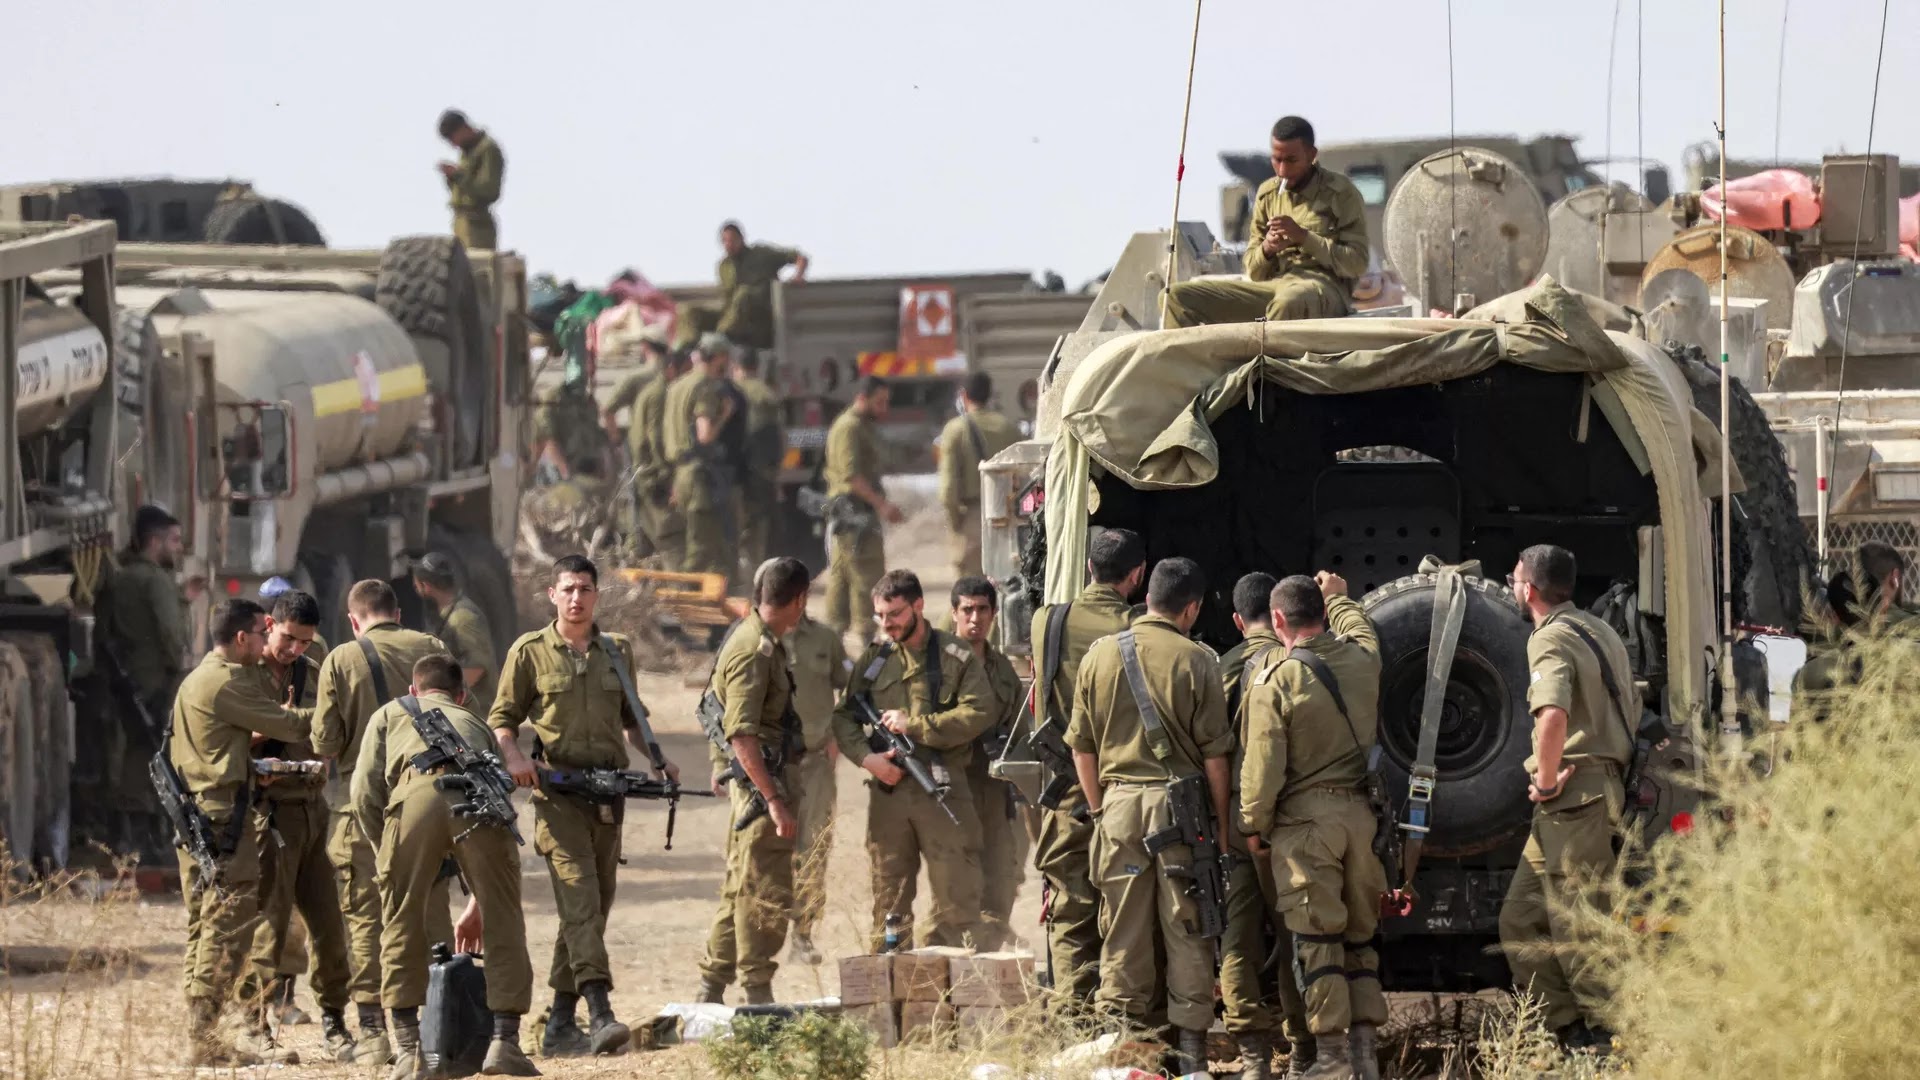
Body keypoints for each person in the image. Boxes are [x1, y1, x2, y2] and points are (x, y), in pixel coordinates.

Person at [491, 554, 683, 1057]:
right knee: (579, 900)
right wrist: (513, 757)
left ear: (597, 596)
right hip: (557, 797)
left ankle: (558, 1021)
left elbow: (632, 719)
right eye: (568, 589)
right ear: (553, 595)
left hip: (608, 799)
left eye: (585, 589)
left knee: (590, 911)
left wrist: (658, 759)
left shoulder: (617, 652)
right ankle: (599, 1012)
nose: (577, 598)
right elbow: (503, 718)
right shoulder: (529, 651)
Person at [1066, 557, 1232, 1074]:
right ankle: (1193, 1060)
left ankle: (1126, 1053)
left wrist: (1099, 808)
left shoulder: (1098, 658)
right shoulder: (1197, 659)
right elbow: (1214, 757)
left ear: (1146, 598)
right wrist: (1221, 828)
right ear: (1192, 608)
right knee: (1188, 926)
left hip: (1117, 808)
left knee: (1122, 929)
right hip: (1178, 812)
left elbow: (1082, 749)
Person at [351, 654, 538, 1079]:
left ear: (414, 690)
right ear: (461, 695)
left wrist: (391, 852)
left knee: (401, 918)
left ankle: (407, 1049)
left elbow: (364, 791)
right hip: (477, 799)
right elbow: (500, 787)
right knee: (504, 917)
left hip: (413, 798)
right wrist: (476, 902)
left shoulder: (389, 714)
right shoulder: (476, 723)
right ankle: (504, 1042)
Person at [1241, 572, 1388, 1080]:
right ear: (1322, 615)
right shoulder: (1364, 660)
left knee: (1316, 940)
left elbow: (1262, 769)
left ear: (1277, 620)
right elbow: (1362, 627)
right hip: (1362, 822)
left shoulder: (1275, 679)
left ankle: (1331, 1060)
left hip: (1306, 826)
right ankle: (1366, 1056)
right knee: (1360, 940)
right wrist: (1340, 598)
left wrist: (1253, 827)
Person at [1497, 546, 1633, 1054]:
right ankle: (1567, 1030)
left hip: (1574, 798)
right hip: (1585, 798)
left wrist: (1548, 780)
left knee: (1577, 926)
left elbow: (1551, 715)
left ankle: (1604, 1042)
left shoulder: (1549, 637)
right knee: (1520, 920)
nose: (1512, 587)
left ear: (1529, 588)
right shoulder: (1598, 629)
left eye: (1514, 580)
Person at [310, 580, 452, 1063]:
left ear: (355, 620)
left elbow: (325, 744)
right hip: (425, 804)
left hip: (357, 810)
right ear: (396, 612)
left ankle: (373, 1035)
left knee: (366, 919)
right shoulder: (430, 648)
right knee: (428, 911)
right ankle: (436, 1028)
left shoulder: (342, 659)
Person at [172, 598, 312, 1066]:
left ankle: (199, 1033)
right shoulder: (229, 680)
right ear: (241, 638)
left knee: (203, 924)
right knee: (227, 926)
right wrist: (339, 707)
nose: (266, 638)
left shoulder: (196, 679)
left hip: (198, 818)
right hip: (223, 821)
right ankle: (205, 1040)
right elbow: (289, 722)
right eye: (261, 631)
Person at [832, 570, 990, 948]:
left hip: (943, 789)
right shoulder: (875, 659)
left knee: (957, 901)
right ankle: (891, 997)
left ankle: (955, 997)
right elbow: (844, 716)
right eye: (880, 616)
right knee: (890, 903)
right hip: (889, 795)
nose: (888, 624)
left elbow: (978, 713)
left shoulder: (956, 655)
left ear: (918, 606)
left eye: (896, 614)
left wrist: (915, 726)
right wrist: (867, 760)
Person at [1027, 526, 1145, 1001]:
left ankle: (1073, 1027)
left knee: (1071, 910)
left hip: (1068, 789)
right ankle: (1124, 1021)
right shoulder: (1138, 629)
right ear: (1136, 576)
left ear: (1090, 569)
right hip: (1125, 786)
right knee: (1129, 910)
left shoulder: (1046, 621)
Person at [241, 589, 356, 1061]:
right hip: (267, 814)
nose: (295, 650)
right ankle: (253, 1021)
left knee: (330, 927)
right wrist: (266, 733)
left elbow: (330, 726)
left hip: (313, 809)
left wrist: (320, 749)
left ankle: (334, 1020)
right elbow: (219, 738)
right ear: (270, 625)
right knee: (267, 924)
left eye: (305, 642)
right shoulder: (242, 672)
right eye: (289, 638)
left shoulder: (315, 668)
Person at [696, 558, 812, 1005]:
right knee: (765, 887)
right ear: (798, 600)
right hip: (762, 787)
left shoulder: (753, 637)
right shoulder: (754, 650)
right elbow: (740, 731)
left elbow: (714, 704)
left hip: (756, 781)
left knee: (740, 884)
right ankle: (757, 990)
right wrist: (773, 799)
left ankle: (711, 986)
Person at [1217, 572, 1313, 1080]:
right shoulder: (1297, 665)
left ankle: (1252, 1052)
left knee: (1239, 932)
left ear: (1237, 620)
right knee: (1293, 932)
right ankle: (1300, 1049)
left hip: (1237, 819)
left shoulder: (1224, 668)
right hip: (1288, 818)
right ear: (1277, 616)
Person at [1164, 116, 1368, 328]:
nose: (1282, 170)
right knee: (1176, 297)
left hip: (1324, 288)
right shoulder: (1268, 194)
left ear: (1311, 156)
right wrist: (1268, 249)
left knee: (1287, 305)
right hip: (1274, 286)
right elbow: (1254, 270)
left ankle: (1267, 361)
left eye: (1291, 160)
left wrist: (1303, 237)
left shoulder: (1340, 193)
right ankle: (1189, 361)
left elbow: (1356, 264)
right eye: (1277, 160)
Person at [949, 576, 1030, 950]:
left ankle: (991, 953)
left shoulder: (1001, 669)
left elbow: (1016, 724)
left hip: (994, 788)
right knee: (958, 887)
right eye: (967, 610)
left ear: (994, 614)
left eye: (983, 610)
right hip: (954, 788)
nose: (975, 618)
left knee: (1002, 875)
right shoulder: (941, 665)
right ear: (954, 614)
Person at [783, 610, 851, 966]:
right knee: (767, 848)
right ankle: (758, 938)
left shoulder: (825, 638)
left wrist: (837, 734)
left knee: (815, 846)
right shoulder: (752, 637)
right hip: (772, 766)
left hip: (816, 763)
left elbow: (850, 685)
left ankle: (803, 934)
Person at [823, 377, 904, 639]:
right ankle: (867, 639)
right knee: (867, 579)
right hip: (854, 515)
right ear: (862, 398)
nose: (884, 409)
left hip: (852, 516)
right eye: (879, 402)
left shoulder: (860, 426)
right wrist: (882, 506)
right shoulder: (849, 428)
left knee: (843, 577)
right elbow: (852, 476)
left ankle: (834, 639)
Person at [663, 338, 741, 578]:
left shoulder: (677, 386)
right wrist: (725, 415)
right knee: (702, 548)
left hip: (680, 473)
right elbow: (705, 435)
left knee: (697, 541)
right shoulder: (706, 387)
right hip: (697, 475)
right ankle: (684, 602)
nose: (727, 363)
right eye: (725, 358)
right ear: (717, 356)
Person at [673, 221, 808, 350]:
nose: (728, 245)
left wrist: (798, 276)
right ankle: (687, 347)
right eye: (724, 241)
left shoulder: (761, 254)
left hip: (760, 320)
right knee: (689, 311)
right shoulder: (724, 266)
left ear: (741, 239)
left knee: (743, 294)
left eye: (732, 240)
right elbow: (727, 301)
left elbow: (799, 258)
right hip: (732, 319)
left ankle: (719, 339)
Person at [938, 372, 1021, 578]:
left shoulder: (955, 430)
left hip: (973, 519)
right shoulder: (1008, 428)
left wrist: (957, 524)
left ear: (964, 396)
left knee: (971, 594)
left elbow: (948, 491)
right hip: (1008, 516)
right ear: (989, 395)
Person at [411, 552, 500, 718]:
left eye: (416, 583)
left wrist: (443, 697)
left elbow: (477, 667)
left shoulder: (463, 617)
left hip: (474, 712)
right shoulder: (447, 613)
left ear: (426, 586)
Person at [630, 347, 694, 569]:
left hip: (645, 472)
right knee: (672, 536)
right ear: (670, 369)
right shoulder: (659, 394)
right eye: (684, 371)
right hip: (654, 474)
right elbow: (654, 436)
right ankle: (678, 593)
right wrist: (666, 474)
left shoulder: (651, 391)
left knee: (646, 540)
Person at [734, 350, 787, 575]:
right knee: (759, 525)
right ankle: (757, 571)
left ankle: (740, 575)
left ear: (737, 367)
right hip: (763, 470)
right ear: (757, 367)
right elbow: (779, 435)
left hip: (737, 470)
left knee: (737, 523)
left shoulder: (732, 391)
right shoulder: (768, 393)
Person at [437, 109, 505, 251]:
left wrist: (458, 175)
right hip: (460, 221)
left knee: (476, 268)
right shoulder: (467, 151)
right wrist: (451, 178)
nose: (453, 144)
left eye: (452, 138)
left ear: (463, 129)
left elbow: (489, 191)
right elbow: (464, 190)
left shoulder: (488, 149)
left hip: (477, 225)